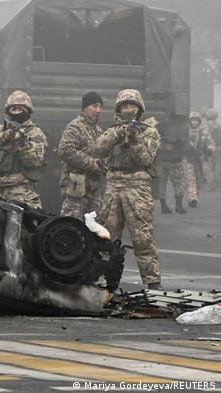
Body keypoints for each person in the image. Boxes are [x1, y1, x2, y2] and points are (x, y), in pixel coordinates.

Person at [94, 89, 162, 290]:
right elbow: (97, 149)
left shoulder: (149, 131)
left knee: (143, 237)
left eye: (132, 106)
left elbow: (145, 159)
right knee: (107, 237)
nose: (128, 109)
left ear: (139, 108)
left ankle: (152, 282)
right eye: (124, 106)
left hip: (137, 186)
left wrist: (134, 139)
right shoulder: (113, 129)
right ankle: (105, 281)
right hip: (114, 185)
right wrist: (117, 133)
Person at [0, 90, 48, 209]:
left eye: (20, 109)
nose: (16, 112)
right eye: (13, 109)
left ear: (27, 111)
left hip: (21, 192)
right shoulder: (2, 130)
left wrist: (22, 143)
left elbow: (34, 161)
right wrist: (3, 137)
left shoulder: (35, 133)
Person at [58, 91, 105, 220]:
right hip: (76, 183)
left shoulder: (98, 130)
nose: (98, 110)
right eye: (94, 106)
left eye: (100, 107)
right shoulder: (75, 127)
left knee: (94, 225)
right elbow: (65, 150)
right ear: (85, 107)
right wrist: (90, 163)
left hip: (93, 186)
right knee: (72, 222)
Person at [185, 111, 215, 207]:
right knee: (190, 179)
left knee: (199, 180)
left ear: (199, 121)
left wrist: (210, 149)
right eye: (193, 120)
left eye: (196, 120)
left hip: (201, 160)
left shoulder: (204, 132)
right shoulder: (186, 132)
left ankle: (195, 196)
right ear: (190, 121)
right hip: (189, 159)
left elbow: (211, 142)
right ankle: (192, 197)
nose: (195, 122)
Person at [158, 127, 187, 214]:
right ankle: (178, 206)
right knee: (179, 183)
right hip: (175, 162)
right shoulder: (179, 128)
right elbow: (184, 145)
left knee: (161, 185)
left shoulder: (158, 128)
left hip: (162, 162)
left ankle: (163, 207)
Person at [203, 108, 220, 191]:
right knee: (215, 167)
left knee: (209, 167)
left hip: (210, 149)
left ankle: (211, 183)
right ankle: (213, 183)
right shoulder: (218, 127)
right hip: (216, 148)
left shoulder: (204, 127)